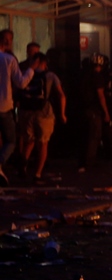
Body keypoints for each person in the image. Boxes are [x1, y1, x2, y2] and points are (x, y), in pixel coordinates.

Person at [17, 52, 66, 183]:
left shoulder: (24, 73)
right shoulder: (50, 75)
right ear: (45, 63)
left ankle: (23, 165)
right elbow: (61, 95)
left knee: (29, 141)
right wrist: (62, 114)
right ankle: (37, 173)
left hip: (26, 112)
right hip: (44, 113)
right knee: (43, 143)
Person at [0, 29, 39, 186]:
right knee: (10, 140)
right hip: (3, 107)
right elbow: (21, 82)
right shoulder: (9, 59)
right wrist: (32, 69)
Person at [77, 54, 110, 172]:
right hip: (94, 110)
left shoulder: (83, 76)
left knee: (85, 136)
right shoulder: (98, 77)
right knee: (94, 136)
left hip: (83, 109)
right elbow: (101, 96)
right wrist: (106, 112)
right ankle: (89, 161)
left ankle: (82, 161)